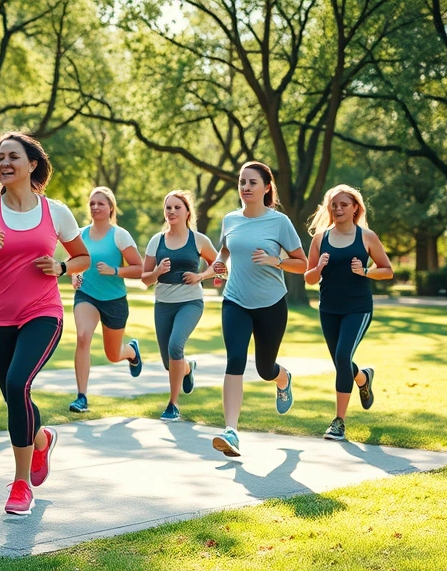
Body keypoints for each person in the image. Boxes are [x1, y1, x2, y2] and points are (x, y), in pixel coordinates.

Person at [0, 132, 89, 515]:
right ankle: (41, 439)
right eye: (0, 157)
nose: (4, 163)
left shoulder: (55, 212)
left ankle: (20, 484)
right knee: (16, 395)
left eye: (13, 156)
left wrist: (62, 266)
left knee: (18, 383)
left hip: (43, 312)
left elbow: (81, 256)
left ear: (32, 164)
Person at [210, 161, 308, 457]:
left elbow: (302, 263)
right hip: (235, 300)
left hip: (271, 303)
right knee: (235, 359)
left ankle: (282, 378)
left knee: (265, 369)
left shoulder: (279, 222)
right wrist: (216, 267)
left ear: (266, 187)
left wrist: (275, 260)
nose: (245, 188)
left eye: (252, 182)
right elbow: (225, 250)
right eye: (242, 182)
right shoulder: (230, 219)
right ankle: (232, 431)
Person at [304, 184, 393, 441]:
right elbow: (308, 278)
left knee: (342, 356)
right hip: (328, 308)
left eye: (344, 204)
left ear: (355, 208)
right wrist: (319, 266)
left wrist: (365, 272)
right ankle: (363, 378)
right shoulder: (320, 239)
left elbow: (386, 270)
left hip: (358, 308)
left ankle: (338, 422)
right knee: (341, 361)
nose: (338, 209)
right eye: (334, 205)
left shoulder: (366, 237)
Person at [140, 190, 218, 422]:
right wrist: (157, 272)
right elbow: (145, 279)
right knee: (169, 362)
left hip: (190, 302)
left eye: (177, 207)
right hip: (163, 303)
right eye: (168, 208)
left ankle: (172, 405)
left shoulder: (199, 240)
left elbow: (220, 265)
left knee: (176, 347)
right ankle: (187, 368)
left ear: (187, 212)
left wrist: (200, 276)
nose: (172, 211)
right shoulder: (157, 241)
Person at [69, 187, 144, 413]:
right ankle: (81, 396)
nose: (95, 207)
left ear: (111, 207)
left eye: (100, 203)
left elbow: (140, 269)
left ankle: (131, 351)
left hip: (114, 300)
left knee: (113, 355)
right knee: (82, 337)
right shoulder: (80, 235)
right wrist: (75, 275)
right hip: (87, 296)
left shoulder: (119, 235)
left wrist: (114, 270)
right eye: (92, 203)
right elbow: (74, 264)